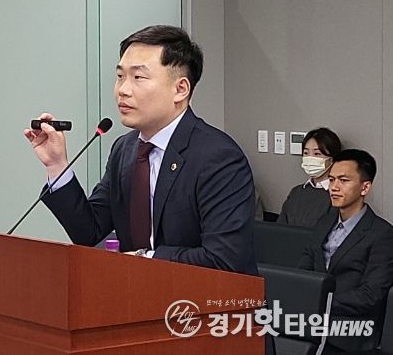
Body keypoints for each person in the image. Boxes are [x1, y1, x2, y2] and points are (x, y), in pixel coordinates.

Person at [24, 25, 257, 274]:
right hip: (133, 291)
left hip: (201, 296)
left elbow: (223, 259)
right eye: (120, 76)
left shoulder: (218, 158)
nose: (123, 90)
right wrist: (56, 166)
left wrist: (143, 258)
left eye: (138, 78)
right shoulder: (124, 149)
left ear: (180, 89)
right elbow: (89, 232)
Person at [298, 149, 393, 352]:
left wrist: (321, 301)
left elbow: (371, 295)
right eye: (332, 180)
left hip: (349, 330)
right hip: (311, 321)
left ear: (365, 187)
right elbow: (306, 264)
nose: (334, 187)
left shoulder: (381, 234)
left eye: (344, 180)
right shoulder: (325, 221)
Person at [277, 127, 342, 227]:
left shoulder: (337, 194)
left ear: (332, 159)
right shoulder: (296, 192)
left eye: (317, 154)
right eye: (306, 153)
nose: (310, 158)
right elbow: (279, 228)